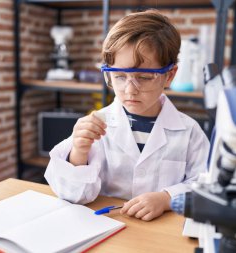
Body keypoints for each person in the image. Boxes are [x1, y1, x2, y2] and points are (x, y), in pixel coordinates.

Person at [45, 9, 210, 221]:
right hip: (108, 227)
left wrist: (166, 198)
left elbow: (207, 186)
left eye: (143, 77)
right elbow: (73, 195)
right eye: (120, 76)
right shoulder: (98, 123)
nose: (130, 90)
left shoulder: (189, 131)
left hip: (160, 233)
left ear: (169, 75)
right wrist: (79, 152)